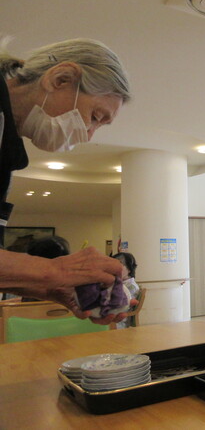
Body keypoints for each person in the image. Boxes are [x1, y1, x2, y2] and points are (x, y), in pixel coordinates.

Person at [0, 38, 132, 324]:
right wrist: (53, 271)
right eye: (95, 116)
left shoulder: (6, 145)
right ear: (61, 78)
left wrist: (49, 285)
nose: (88, 134)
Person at [112, 252, 141, 328]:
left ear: (129, 269)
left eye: (119, 265)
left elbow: (119, 306)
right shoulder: (120, 284)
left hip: (119, 322)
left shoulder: (131, 286)